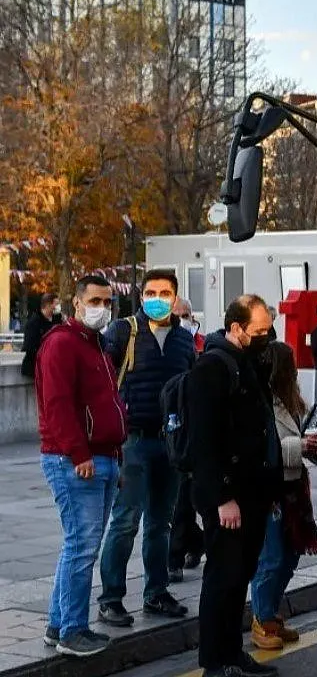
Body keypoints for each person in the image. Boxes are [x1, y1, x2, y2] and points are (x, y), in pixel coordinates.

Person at [187, 294, 282, 677]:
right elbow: (204, 442)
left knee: (240, 576)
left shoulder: (249, 362)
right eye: (260, 331)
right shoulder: (211, 367)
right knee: (222, 578)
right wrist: (223, 497)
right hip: (227, 497)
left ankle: (232, 653)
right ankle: (214, 661)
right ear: (236, 328)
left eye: (269, 330)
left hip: (253, 492)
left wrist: (270, 489)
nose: (266, 338)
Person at [35, 275, 126, 657]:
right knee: (82, 547)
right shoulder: (62, 343)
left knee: (80, 546)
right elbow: (57, 406)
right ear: (76, 303)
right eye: (94, 301)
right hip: (75, 459)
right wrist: (79, 455)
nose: (101, 308)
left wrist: (114, 457)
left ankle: (59, 625)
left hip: (102, 456)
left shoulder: (96, 345)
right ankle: (72, 631)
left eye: (107, 302)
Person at [97, 269, 195, 626]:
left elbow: (189, 389)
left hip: (170, 442)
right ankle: (110, 598)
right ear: (141, 297)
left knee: (161, 523)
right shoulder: (123, 331)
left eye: (164, 293)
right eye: (150, 293)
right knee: (125, 521)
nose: (157, 299)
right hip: (133, 441)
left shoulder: (184, 340)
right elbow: (101, 379)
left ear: (175, 297)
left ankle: (156, 593)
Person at [250, 342, 317, 650]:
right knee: (271, 557)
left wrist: (316, 449)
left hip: (295, 488)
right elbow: (261, 449)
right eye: (291, 365)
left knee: (292, 554)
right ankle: (261, 619)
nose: (295, 371)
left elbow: (304, 443)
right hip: (271, 488)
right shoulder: (260, 402)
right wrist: (300, 447)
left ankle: (270, 612)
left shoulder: (294, 401)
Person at [168, 297, 205, 578]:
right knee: (175, 503)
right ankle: (195, 542)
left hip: (191, 432)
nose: (183, 319)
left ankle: (174, 559)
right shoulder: (165, 345)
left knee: (183, 501)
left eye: (186, 314)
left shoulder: (202, 345)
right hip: (169, 428)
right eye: (177, 314)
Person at [21, 292, 62, 378]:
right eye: (56, 304)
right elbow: (29, 347)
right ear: (48, 305)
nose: (58, 307)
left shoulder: (58, 320)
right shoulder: (34, 322)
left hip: (53, 366)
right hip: (36, 368)